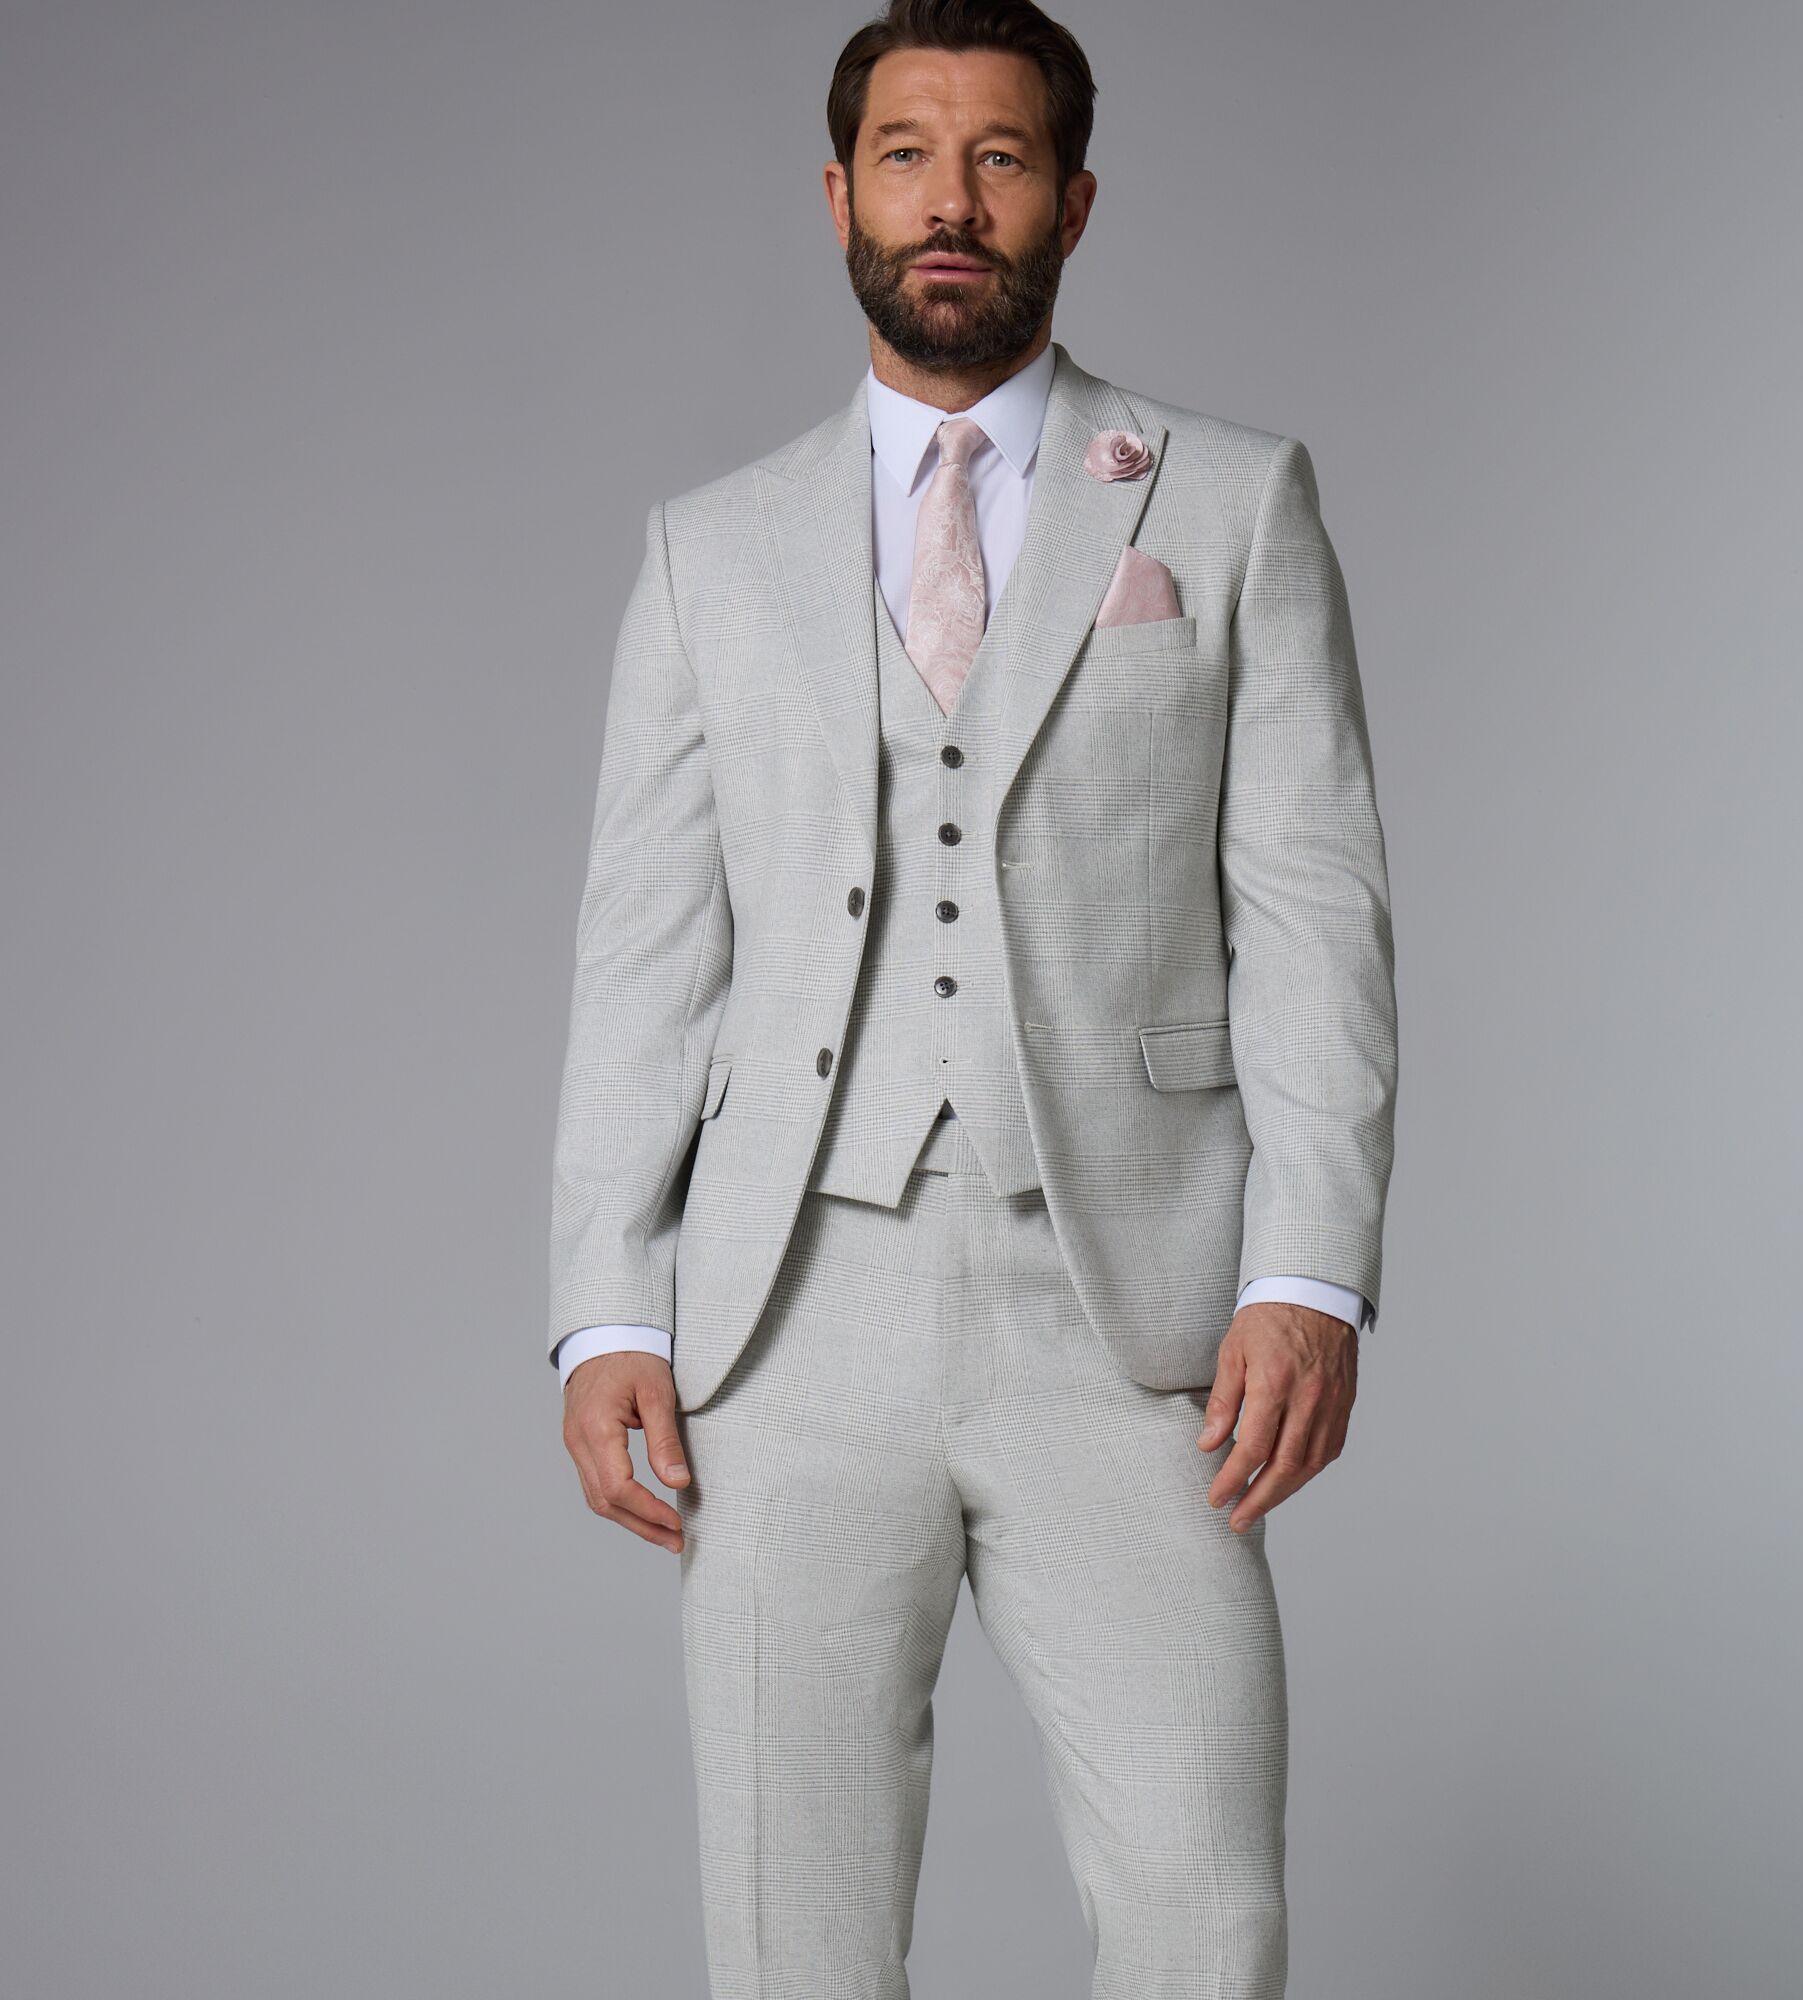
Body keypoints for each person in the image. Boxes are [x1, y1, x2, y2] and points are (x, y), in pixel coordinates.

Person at [547, 2, 1397, 1991]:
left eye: (1000, 158)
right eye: (909, 155)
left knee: (1203, 1908)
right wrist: (606, 1305)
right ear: (839, 196)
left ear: (1072, 203)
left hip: (1134, 1312)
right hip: (789, 1318)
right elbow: (643, 952)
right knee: (796, 1934)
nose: (953, 199)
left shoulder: (1229, 502)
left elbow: (1315, 915)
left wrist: (1310, 1271)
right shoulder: (708, 552)